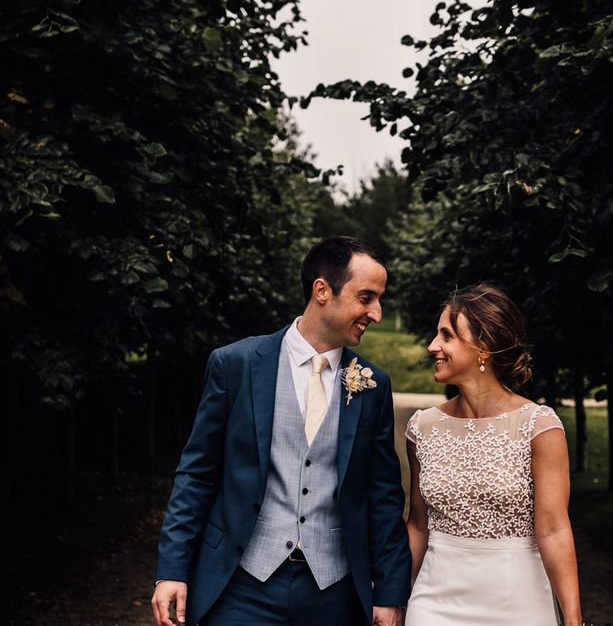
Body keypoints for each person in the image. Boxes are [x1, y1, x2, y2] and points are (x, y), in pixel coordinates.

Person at [151, 237, 411, 626]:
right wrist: (172, 567)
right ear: (322, 290)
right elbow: (197, 473)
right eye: (366, 297)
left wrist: (390, 592)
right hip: (241, 585)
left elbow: (384, 495)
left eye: (379, 299)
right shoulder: (235, 364)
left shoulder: (373, 384)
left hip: (334, 592)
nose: (376, 313)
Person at [404, 284, 582, 626]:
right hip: (434, 603)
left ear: (482, 348)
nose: (433, 346)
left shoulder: (538, 426)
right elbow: (417, 526)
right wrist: (393, 599)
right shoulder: (422, 428)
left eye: (447, 335)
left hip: (518, 600)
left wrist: (574, 620)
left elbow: (554, 529)